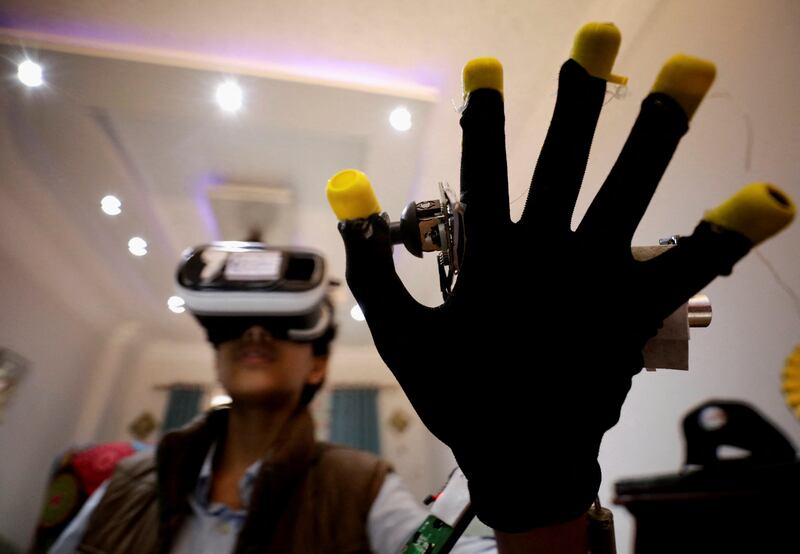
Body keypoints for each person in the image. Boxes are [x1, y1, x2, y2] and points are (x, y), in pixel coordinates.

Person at [48, 244, 496, 554]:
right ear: (217, 358)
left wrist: (521, 483)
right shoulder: (125, 485)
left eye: (280, 319)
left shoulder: (364, 488)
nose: (256, 331)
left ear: (316, 365)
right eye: (238, 321)